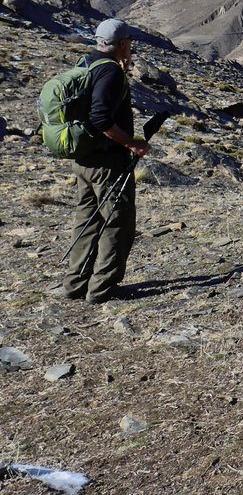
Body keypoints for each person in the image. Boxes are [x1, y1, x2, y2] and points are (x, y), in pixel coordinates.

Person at [64, 18, 149, 304]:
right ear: (123, 43)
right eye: (130, 44)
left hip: (84, 159)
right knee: (117, 222)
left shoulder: (86, 62)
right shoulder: (110, 72)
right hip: (107, 164)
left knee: (86, 221)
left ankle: (75, 284)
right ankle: (103, 288)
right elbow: (100, 117)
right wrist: (132, 143)